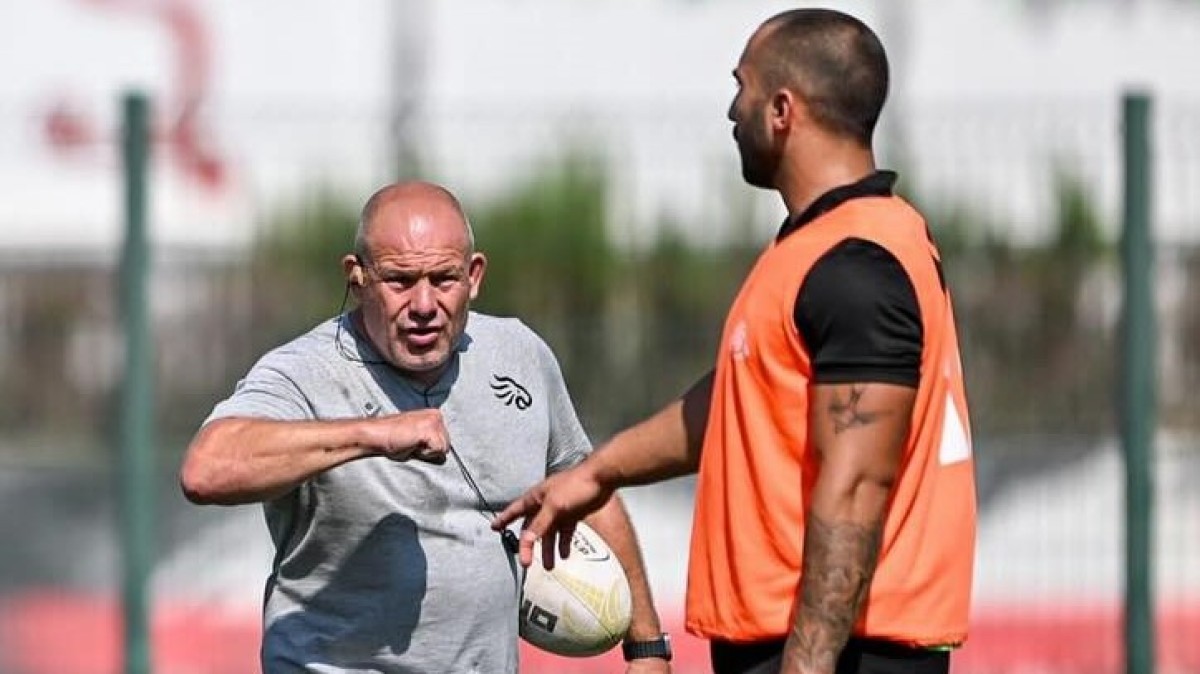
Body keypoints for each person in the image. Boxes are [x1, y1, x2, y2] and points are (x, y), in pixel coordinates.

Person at [494, 8, 977, 674]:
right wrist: (598, 473)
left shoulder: (854, 264)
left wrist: (805, 666)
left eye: (741, 87)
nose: (731, 110)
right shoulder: (821, 247)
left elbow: (857, 486)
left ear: (782, 110)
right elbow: (741, 402)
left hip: (839, 653)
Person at [179, 181, 673, 673]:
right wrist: (370, 434)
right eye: (399, 280)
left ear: (474, 276)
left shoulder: (520, 353)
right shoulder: (304, 371)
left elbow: (586, 484)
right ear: (358, 277)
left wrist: (647, 647)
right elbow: (207, 470)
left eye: (443, 279)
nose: (422, 305)